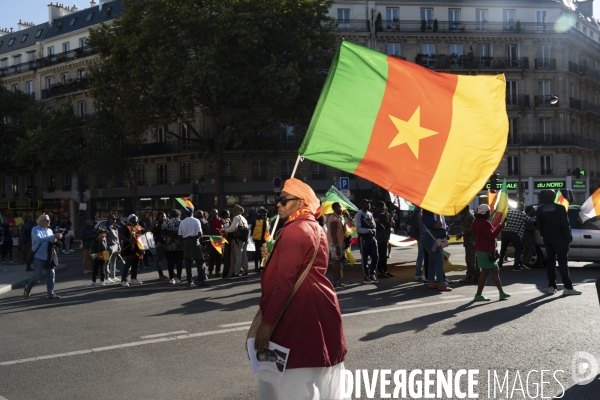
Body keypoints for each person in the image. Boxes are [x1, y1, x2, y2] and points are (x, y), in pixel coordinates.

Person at [255, 178, 347, 399]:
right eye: (278, 199)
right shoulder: (313, 225)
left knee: (292, 378)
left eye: (284, 199)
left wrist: (267, 324)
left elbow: (284, 283)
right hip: (318, 304)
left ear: (301, 202)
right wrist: (272, 256)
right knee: (311, 372)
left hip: (298, 308)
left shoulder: (295, 230)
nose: (278, 203)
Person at [536, 190, 581, 295]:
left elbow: (539, 225)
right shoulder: (560, 208)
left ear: (545, 197)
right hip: (560, 239)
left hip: (548, 240)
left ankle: (551, 286)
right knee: (563, 264)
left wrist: (545, 235)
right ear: (554, 196)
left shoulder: (540, 209)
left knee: (551, 264)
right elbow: (565, 225)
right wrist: (568, 238)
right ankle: (568, 287)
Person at [471, 204, 510, 301]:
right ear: (487, 213)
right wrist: (500, 227)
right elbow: (492, 236)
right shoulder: (485, 223)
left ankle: (501, 293)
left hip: (480, 250)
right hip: (486, 251)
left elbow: (473, 231)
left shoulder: (475, 222)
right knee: (487, 273)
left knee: (492, 272)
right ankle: (479, 295)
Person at [23, 214, 63, 300]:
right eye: (47, 220)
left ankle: (50, 293)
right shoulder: (35, 229)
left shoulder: (49, 230)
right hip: (39, 256)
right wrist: (54, 236)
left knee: (51, 274)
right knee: (37, 276)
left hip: (49, 255)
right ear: (41, 222)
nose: (49, 222)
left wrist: (54, 240)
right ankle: (28, 288)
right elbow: (39, 239)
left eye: (49, 220)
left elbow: (49, 240)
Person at [498, 202, 536, 271]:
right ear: (521, 208)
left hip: (505, 232)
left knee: (503, 249)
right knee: (518, 250)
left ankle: (500, 264)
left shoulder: (508, 212)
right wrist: (536, 215)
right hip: (514, 234)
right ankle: (516, 266)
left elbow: (502, 219)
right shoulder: (522, 214)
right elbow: (531, 220)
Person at [420, 209, 451, 291]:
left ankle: (432, 283)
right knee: (439, 263)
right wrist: (438, 216)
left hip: (429, 242)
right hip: (433, 243)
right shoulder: (429, 218)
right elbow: (439, 225)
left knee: (432, 263)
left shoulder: (425, 218)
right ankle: (441, 283)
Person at [178, 208, 208, 287]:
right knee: (199, 261)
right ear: (192, 213)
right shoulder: (196, 220)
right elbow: (199, 233)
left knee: (188, 262)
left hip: (186, 242)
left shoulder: (182, 222)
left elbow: (180, 235)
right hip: (195, 242)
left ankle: (189, 281)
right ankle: (201, 280)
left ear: (185, 214)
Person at [354, 199, 379, 284]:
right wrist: (368, 231)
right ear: (363, 205)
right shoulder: (358, 214)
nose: (369, 205)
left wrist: (373, 232)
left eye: (369, 204)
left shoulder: (370, 214)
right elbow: (358, 228)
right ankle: (366, 276)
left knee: (375, 256)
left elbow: (374, 226)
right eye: (367, 204)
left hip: (372, 238)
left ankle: (372, 273)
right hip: (363, 239)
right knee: (364, 258)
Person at [119, 214, 145, 287]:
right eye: (135, 219)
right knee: (127, 264)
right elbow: (120, 235)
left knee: (135, 264)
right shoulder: (126, 227)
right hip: (128, 249)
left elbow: (143, 233)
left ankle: (133, 278)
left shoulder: (138, 227)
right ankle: (123, 280)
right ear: (130, 220)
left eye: (137, 218)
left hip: (137, 249)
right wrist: (129, 240)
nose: (137, 220)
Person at [224, 204, 249, 277]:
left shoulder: (236, 218)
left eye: (233, 211)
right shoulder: (243, 218)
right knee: (244, 255)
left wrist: (225, 230)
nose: (232, 213)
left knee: (238, 255)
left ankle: (236, 272)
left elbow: (233, 228)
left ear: (235, 212)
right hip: (245, 239)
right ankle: (245, 270)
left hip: (238, 239)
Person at [457, 205, 479, 284]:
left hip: (471, 241)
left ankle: (470, 276)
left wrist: (463, 233)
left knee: (470, 259)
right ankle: (476, 276)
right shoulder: (468, 216)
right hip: (470, 241)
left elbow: (471, 229)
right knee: (473, 259)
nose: (459, 211)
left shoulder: (469, 217)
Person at [326, 202, 347, 288]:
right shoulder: (333, 218)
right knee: (336, 262)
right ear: (335, 208)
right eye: (340, 207)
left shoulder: (337, 217)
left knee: (338, 262)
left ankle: (338, 280)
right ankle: (336, 281)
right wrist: (337, 247)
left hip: (338, 243)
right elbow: (333, 234)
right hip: (335, 244)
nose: (342, 209)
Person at [373, 201, 394, 278]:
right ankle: (382, 271)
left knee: (379, 254)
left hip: (376, 236)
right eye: (384, 206)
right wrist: (390, 219)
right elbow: (387, 225)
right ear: (382, 207)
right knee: (383, 255)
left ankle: (384, 270)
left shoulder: (374, 214)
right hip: (382, 237)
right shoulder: (382, 215)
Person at [164, 209, 184, 284]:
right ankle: (179, 278)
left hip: (169, 244)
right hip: (179, 244)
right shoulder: (181, 222)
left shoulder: (167, 222)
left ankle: (171, 278)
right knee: (179, 262)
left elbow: (163, 232)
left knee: (170, 262)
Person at [103, 214, 122, 283]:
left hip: (115, 246)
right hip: (109, 246)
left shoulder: (115, 226)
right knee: (106, 262)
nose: (114, 220)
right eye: (113, 219)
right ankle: (106, 277)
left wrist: (119, 247)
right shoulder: (106, 226)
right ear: (109, 219)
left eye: (115, 219)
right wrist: (105, 247)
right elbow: (104, 237)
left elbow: (117, 237)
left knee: (113, 261)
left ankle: (113, 276)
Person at [151, 211, 169, 280]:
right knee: (160, 259)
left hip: (166, 243)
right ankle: (161, 275)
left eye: (164, 216)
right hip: (159, 243)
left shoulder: (165, 223)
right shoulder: (156, 224)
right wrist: (156, 242)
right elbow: (152, 233)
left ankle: (172, 273)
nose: (163, 218)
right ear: (158, 217)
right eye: (162, 216)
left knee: (169, 258)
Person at [410, 206, 427, 282]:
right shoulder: (418, 211)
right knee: (421, 255)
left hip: (419, 234)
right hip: (420, 234)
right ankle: (418, 274)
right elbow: (418, 225)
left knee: (421, 254)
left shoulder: (416, 211)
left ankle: (419, 273)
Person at [207, 209, 224, 277]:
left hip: (220, 240)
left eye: (213, 214)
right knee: (211, 257)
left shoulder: (222, 220)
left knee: (219, 257)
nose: (212, 215)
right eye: (211, 214)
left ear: (217, 214)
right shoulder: (210, 221)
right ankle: (210, 271)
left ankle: (217, 271)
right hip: (212, 240)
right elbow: (208, 230)